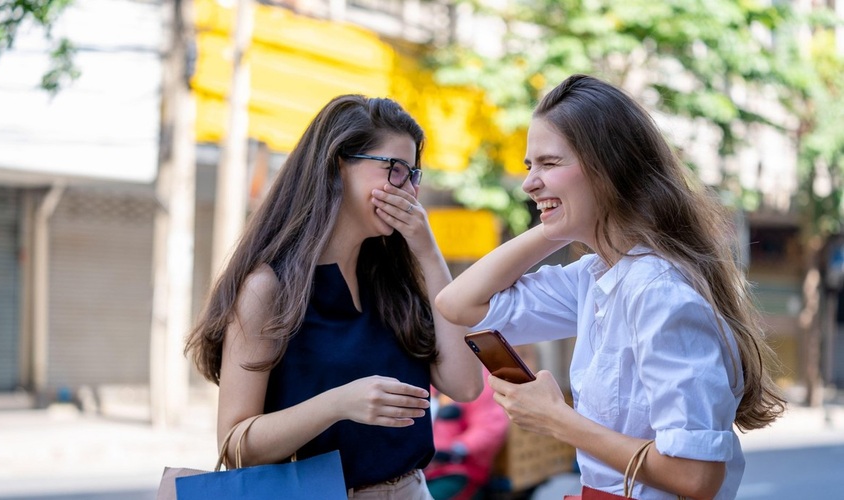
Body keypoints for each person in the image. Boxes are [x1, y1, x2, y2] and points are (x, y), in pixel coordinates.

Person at [435, 74, 786, 500]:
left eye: (549, 164)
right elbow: (458, 303)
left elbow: (697, 476)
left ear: (609, 168)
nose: (529, 182)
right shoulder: (595, 276)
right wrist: (560, 221)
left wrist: (556, 418)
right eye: (531, 166)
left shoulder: (658, 291)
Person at [184, 94, 483, 497]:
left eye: (413, 174)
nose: (408, 189)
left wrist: (429, 254)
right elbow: (235, 445)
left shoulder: (392, 278)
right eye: (394, 169)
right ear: (338, 164)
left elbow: (465, 386)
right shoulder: (269, 288)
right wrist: (338, 404)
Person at [424, 370, 510, 500]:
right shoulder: (421, 372)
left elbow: (489, 427)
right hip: (419, 470)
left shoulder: (477, 378)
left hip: (457, 471)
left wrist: (456, 449)